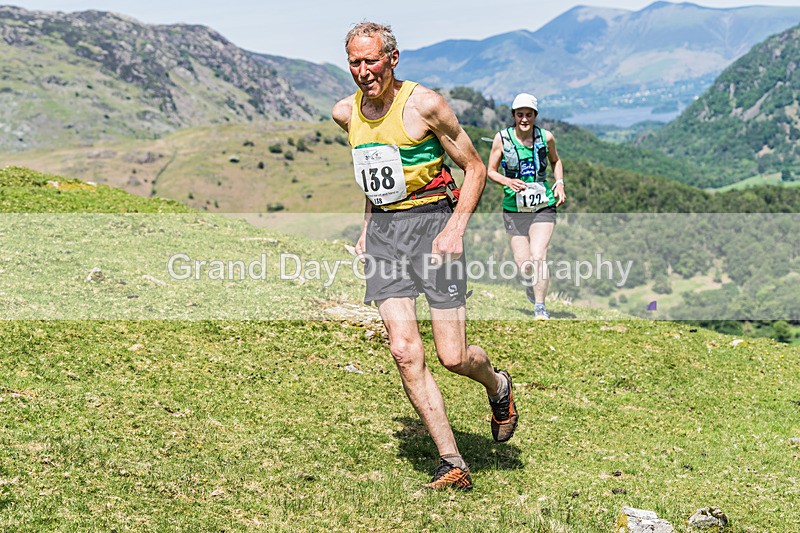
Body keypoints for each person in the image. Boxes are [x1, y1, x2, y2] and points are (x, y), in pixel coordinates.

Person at [332, 22, 518, 491]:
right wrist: (367, 229)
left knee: (453, 356)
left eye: (371, 60)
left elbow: (475, 168)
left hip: (434, 226)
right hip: (386, 237)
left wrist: (456, 228)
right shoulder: (345, 113)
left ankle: (498, 385)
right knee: (403, 350)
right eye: (354, 62)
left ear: (392, 59)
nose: (363, 71)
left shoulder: (425, 105)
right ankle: (452, 462)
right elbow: (373, 178)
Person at [487, 93, 565, 320]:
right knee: (524, 266)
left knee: (539, 255)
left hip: (543, 205)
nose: (524, 119)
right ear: (513, 115)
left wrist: (559, 183)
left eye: (529, 115)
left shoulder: (546, 137)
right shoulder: (502, 138)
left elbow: (555, 160)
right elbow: (491, 171)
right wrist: (507, 181)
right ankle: (531, 285)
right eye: (520, 114)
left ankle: (540, 306)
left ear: (535, 116)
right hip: (514, 208)